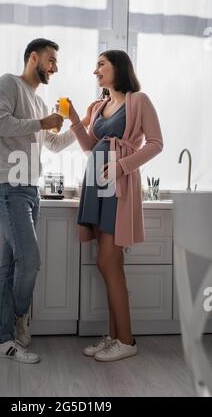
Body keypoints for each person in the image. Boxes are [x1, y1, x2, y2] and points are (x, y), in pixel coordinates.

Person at [0, 38, 85, 364]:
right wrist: (42, 123)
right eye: (51, 60)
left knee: (11, 265)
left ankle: (3, 340)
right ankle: (18, 318)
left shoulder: (40, 104)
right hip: (8, 186)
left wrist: (80, 126)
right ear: (33, 58)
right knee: (30, 260)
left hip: (29, 189)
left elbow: (51, 144)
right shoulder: (7, 84)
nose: (55, 67)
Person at [68, 50, 163, 362]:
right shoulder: (99, 106)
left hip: (117, 186)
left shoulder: (139, 101)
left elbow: (155, 143)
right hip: (96, 184)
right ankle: (113, 337)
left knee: (110, 262)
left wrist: (122, 166)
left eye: (101, 64)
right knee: (106, 263)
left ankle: (126, 339)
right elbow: (88, 146)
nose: (95, 70)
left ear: (118, 68)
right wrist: (73, 120)